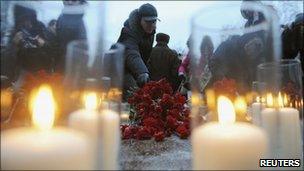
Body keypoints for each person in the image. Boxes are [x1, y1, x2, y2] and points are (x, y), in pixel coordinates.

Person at [117, 3, 159, 100]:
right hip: (121, 69)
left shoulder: (150, 33)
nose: (151, 25)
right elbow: (132, 53)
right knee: (136, 95)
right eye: (148, 22)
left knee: (148, 94)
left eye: (154, 21)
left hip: (136, 69)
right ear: (140, 20)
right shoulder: (128, 32)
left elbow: (144, 56)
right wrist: (142, 72)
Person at [12, 4, 50, 73]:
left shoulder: (40, 27)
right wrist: (14, 45)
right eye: (24, 20)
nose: (29, 23)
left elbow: (52, 48)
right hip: (23, 69)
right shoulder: (15, 31)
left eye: (30, 19)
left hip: (41, 68)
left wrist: (44, 44)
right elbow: (8, 58)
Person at [56, 0, 87, 73]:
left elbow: (84, 46)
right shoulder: (61, 18)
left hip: (76, 65)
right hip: (62, 63)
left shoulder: (82, 19)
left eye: (74, 0)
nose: (70, 2)